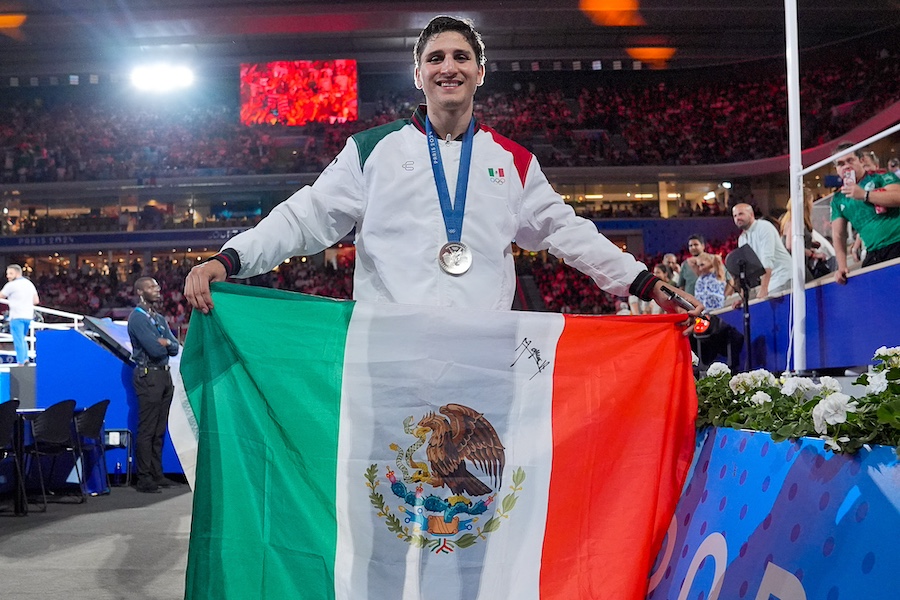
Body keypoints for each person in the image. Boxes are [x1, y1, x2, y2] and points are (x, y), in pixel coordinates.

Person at [184, 16, 701, 323]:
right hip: (388, 359)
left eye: (459, 56)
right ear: (418, 74)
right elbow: (304, 218)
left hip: (483, 358)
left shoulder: (512, 161)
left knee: (477, 497)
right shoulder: (371, 150)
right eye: (435, 58)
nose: (447, 67)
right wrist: (229, 260)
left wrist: (643, 282)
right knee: (392, 498)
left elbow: (568, 234)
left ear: (479, 70)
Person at [127, 277, 180, 494]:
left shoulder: (158, 318)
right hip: (149, 376)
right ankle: (145, 477)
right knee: (148, 428)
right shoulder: (138, 319)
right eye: (151, 287)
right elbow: (156, 350)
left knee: (159, 428)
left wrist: (168, 343)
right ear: (140, 292)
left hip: (164, 376)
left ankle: (157, 473)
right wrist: (166, 344)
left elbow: (175, 347)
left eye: (157, 286)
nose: (157, 289)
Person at [830, 141, 900, 285]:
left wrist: (865, 195)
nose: (846, 166)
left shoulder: (881, 177)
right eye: (841, 164)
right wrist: (842, 266)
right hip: (874, 253)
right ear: (837, 169)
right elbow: (838, 234)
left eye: (850, 160)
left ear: (861, 161)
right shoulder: (838, 198)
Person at [731, 203, 792, 301]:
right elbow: (747, 271)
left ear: (751, 214)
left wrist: (764, 288)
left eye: (741, 214)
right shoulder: (742, 239)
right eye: (735, 216)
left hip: (783, 278)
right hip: (771, 283)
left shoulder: (764, 227)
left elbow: (767, 260)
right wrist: (743, 298)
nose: (737, 218)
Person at [779, 190, 835, 280]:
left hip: (797, 264)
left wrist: (811, 244)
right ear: (806, 203)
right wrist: (813, 255)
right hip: (796, 265)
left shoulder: (788, 219)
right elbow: (790, 245)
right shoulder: (796, 220)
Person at [0, 264, 39, 365]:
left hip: (17, 316)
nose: (8, 276)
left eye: (10, 273)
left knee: (18, 340)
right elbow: (36, 300)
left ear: (17, 273)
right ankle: (25, 359)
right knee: (22, 338)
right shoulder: (29, 283)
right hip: (28, 315)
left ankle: (21, 362)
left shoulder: (11, 285)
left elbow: (1, 296)